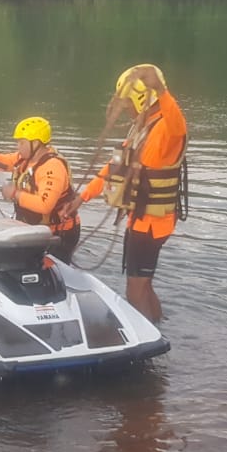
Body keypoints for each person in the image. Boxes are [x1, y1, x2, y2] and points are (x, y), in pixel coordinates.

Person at [62, 64, 188, 323]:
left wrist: (160, 90)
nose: (127, 108)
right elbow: (112, 168)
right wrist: (81, 198)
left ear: (142, 98)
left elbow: (179, 125)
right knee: (144, 285)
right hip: (141, 220)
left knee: (135, 289)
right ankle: (159, 327)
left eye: (128, 101)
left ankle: (146, 342)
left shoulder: (166, 129)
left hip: (152, 224)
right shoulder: (140, 129)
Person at [0, 117, 82, 263]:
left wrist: (14, 194)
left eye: (22, 142)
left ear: (35, 143)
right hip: (35, 230)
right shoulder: (26, 158)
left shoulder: (52, 167)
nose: (18, 146)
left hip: (58, 235)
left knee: (46, 271)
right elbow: (5, 161)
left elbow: (45, 205)